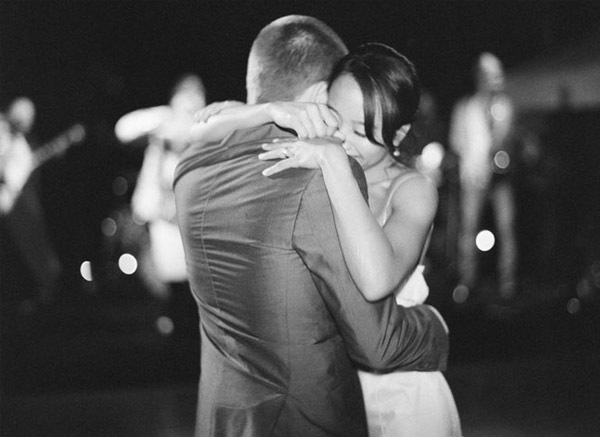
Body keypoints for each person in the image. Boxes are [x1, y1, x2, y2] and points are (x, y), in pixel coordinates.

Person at [174, 16, 449, 437]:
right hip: (318, 403)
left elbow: (376, 284)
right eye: (338, 118)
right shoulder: (312, 172)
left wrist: (268, 120)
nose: (343, 137)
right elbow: (374, 338)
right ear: (323, 97)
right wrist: (264, 112)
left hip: (395, 393)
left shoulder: (194, 165)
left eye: (362, 130)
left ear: (398, 136)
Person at [114, 74, 205, 337]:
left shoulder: (207, 130)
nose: (191, 102)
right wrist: (164, 115)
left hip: (194, 219)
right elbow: (123, 130)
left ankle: (187, 335)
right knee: (167, 284)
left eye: (197, 95)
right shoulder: (161, 127)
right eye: (186, 95)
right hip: (163, 220)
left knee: (196, 288)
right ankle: (172, 331)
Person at [448, 52, 518, 299]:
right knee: (468, 229)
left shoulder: (504, 106)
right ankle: (467, 281)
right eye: (491, 75)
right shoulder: (464, 107)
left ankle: (507, 284)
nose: (497, 79)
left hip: (500, 179)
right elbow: (456, 142)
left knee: (506, 228)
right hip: (473, 177)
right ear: (479, 77)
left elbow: (507, 140)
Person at [0, 97, 62, 305]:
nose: (28, 121)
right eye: (24, 115)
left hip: (16, 202)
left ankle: (46, 288)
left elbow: (22, 170)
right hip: (9, 200)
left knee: (31, 244)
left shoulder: (22, 141)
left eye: (31, 117)